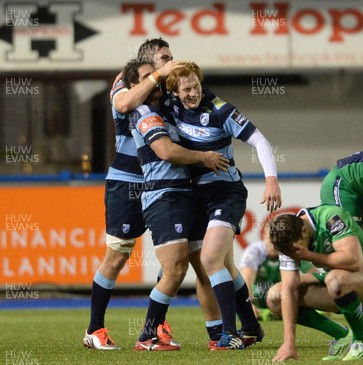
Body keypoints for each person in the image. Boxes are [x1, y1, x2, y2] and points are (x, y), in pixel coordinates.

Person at [83, 38, 223, 350]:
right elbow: (122, 105)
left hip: (170, 185)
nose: (171, 62)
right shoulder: (127, 81)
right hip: (129, 181)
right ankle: (95, 329)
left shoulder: (168, 90)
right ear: (148, 63)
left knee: (177, 260)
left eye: (171, 57)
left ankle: (159, 327)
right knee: (117, 256)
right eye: (165, 58)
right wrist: (157, 77)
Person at [165, 62, 282, 350]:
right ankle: (252, 327)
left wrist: (271, 181)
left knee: (210, 260)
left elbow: (261, 141)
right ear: (176, 92)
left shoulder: (220, 110)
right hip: (195, 197)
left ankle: (229, 334)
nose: (193, 93)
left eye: (196, 86)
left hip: (225, 193)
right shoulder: (171, 105)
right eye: (186, 89)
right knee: (227, 267)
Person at [127, 59, 229, 350]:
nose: (155, 79)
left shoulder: (168, 107)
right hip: (164, 195)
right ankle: (147, 334)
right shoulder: (143, 111)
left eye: (156, 74)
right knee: (174, 270)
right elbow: (166, 151)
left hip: (187, 193)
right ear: (135, 85)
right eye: (147, 76)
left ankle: (216, 333)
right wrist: (204, 157)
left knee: (204, 265)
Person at [267, 206, 363, 361]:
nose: (295, 254)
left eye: (297, 251)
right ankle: (342, 335)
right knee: (275, 297)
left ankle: (362, 341)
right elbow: (289, 289)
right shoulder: (289, 242)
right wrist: (289, 342)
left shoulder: (331, 217)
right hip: (340, 280)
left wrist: (309, 255)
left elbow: (354, 261)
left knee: (335, 280)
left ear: (304, 231)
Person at [239, 226, 315, 321]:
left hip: (282, 300)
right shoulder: (254, 251)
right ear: (264, 236)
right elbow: (246, 279)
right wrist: (248, 306)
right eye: (271, 236)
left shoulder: (290, 249)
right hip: (258, 302)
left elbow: (312, 272)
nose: (273, 242)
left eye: (277, 237)